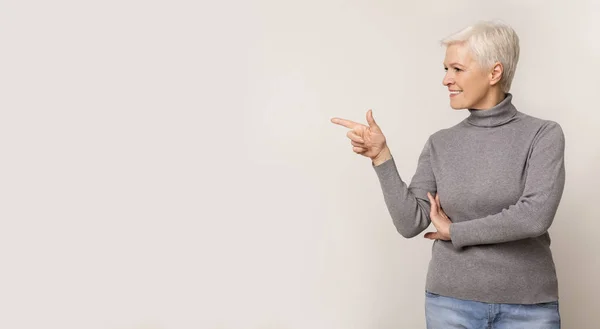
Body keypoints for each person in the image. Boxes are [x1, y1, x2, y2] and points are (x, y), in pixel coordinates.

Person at [331, 21, 565, 329]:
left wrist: (456, 233)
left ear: (494, 73)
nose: (446, 80)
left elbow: (534, 216)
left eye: (457, 69)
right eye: (446, 69)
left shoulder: (543, 135)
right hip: (450, 304)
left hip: (528, 306)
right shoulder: (440, 143)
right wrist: (381, 157)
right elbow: (410, 222)